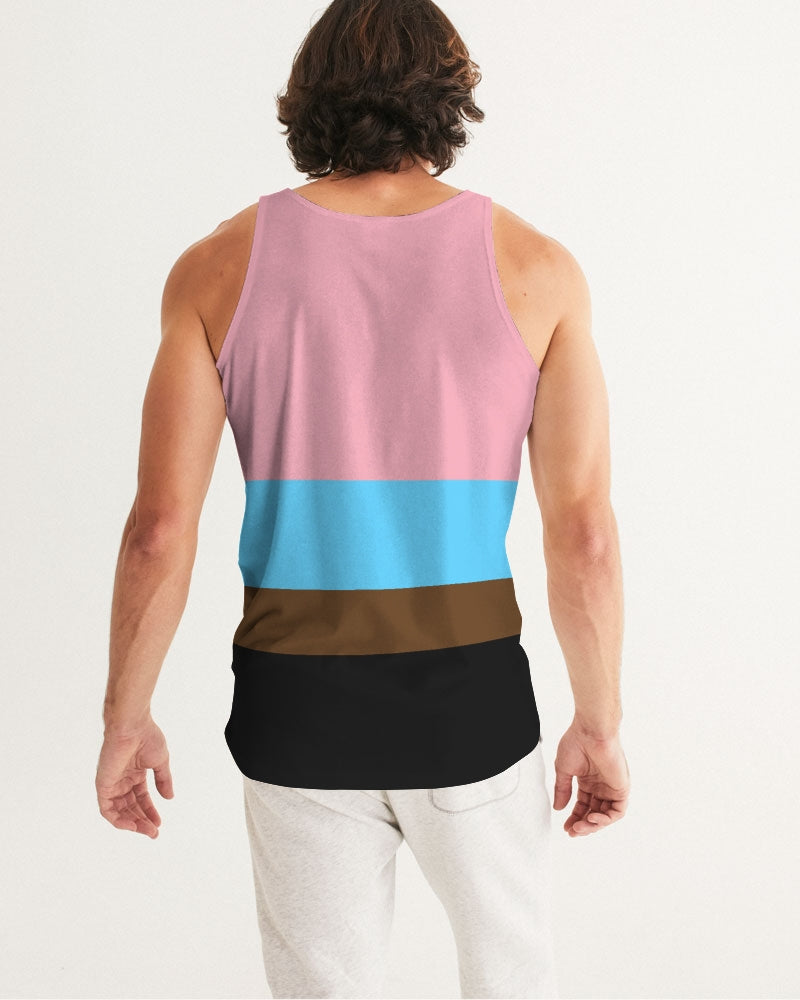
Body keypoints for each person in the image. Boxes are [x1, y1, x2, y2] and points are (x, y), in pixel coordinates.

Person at [95, 0, 630, 996]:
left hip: (297, 705)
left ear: (309, 96)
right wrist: (597, 722)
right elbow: (584, 535)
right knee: (511, 976)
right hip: (471, 705)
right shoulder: (539, 270)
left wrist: (125, 718)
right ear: (448, 96)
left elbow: (158, 529)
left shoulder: (215, 268)